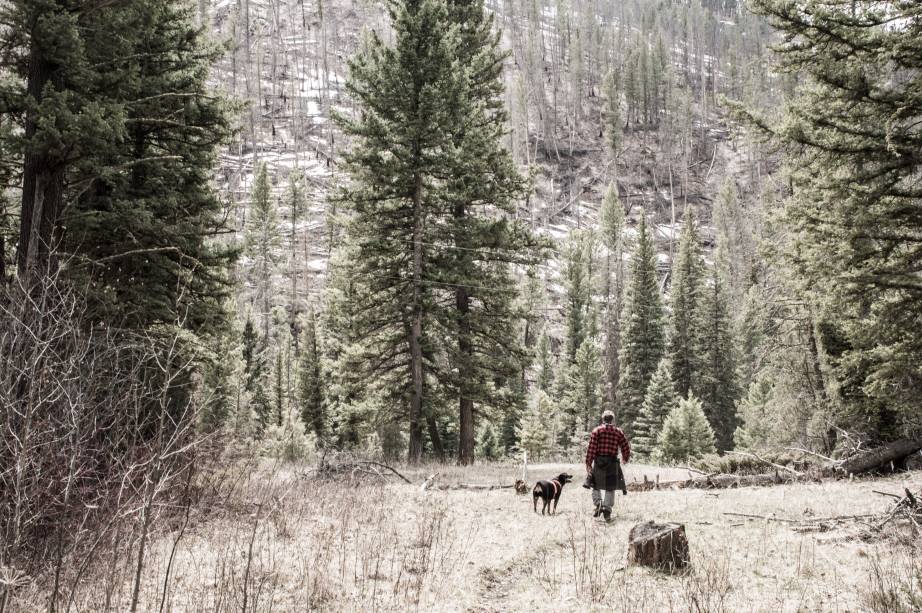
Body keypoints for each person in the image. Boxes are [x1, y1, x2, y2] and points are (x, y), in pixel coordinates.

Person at [584, 409, 631, 522]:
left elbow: (591, 448)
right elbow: (625, 447)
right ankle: (607, 510)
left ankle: (598, 503)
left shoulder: (597, 431)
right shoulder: (618, 432)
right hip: (612, 463)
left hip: (599, 461)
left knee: (595, 484)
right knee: (610, 487)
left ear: (603, 419)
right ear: (612, 420)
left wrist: (588, 462)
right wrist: (625, 458)